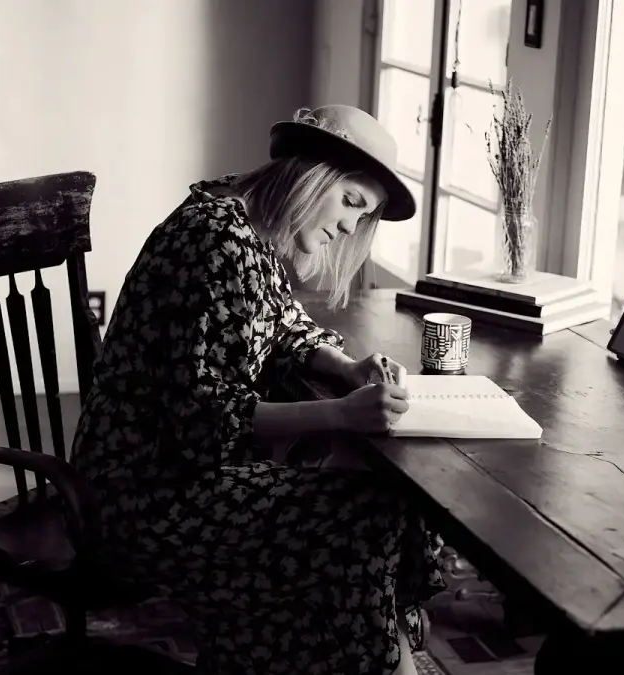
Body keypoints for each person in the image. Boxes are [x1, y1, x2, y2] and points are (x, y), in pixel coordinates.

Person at [70, 104, 447, 675]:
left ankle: (361, 648)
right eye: (350, 201)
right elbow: (205, 419)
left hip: (177, 474)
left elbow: (281, 320)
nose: (350, 227)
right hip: (144, 491)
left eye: (362, 216)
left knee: (375, 508)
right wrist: (342, 415)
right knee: (365, 513)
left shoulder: (242, 218)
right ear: (310, 173)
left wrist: (345, 365)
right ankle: (376, 655)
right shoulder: (217, 240)